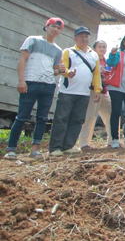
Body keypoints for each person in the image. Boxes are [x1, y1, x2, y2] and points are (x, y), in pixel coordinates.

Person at [5, 18, 64, 160]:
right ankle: (11, 149)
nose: (55, 30)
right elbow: (22, 59)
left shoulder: (58, 50)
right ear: (46, 26)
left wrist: (60, 70)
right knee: (22, 117)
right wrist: (21, 80)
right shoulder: (32, 40)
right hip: (30, 82)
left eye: (58, 28)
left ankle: (35, 150)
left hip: (48, 85)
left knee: (42, 118)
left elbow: (54, 71)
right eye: (53, 26)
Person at [49, 26, 102, 156]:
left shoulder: (94, 54)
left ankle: (68, 145)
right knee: (61, 118)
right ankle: (55, 147)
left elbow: (96, 73)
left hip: (83, 92)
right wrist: (68, 73)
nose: (84, 39)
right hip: (67, 91)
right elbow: (63, 68)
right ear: (75, 38)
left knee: (77, 119)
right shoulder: (68, 51)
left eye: (86, 36)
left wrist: (97, 89)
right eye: (81, 36)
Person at [78, 40, 113, 150]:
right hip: (93, 91)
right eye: (100, 47)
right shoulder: (92, 59)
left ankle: (112, 140)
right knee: (90, 117)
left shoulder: (107, 62)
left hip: (105, 91)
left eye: (104, 47)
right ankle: (84, 143)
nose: (102, 49)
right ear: (94, 49)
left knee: (110, 115)